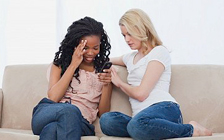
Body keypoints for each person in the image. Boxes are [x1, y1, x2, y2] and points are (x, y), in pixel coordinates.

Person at [99, 9, 212, 140]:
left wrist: (119, 83)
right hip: (142, 118)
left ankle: (191, 129)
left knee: (137, 125)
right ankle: (143, 129)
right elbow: (105, 60)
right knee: (107, 121)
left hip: (164, 108)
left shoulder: (159, 52)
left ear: (142, 29)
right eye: (124, 35)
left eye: (130, 34)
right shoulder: (129, 58)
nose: (127, 39)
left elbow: (141, 94)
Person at [31, 17, 112, 140]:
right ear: (75, 45)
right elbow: (53, 97)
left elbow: (104, 114)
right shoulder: (60, 65)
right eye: (85, 48)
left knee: (52, 129)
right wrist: (74, 64)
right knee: (70, 110)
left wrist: (106, 84)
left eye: (95, 48)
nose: (90, 53)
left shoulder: (102, 71)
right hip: (48, 112)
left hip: (81, 123)